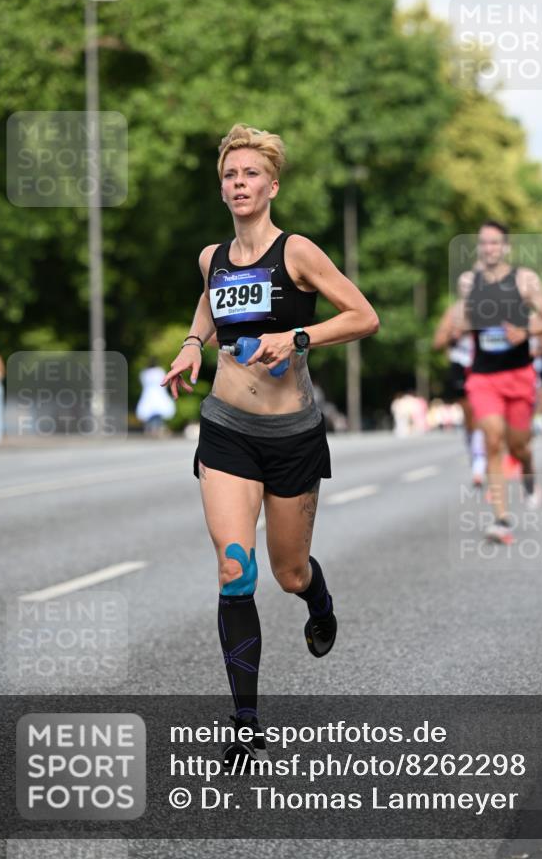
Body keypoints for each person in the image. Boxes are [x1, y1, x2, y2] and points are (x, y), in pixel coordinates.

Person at [161, 124, 379, 767]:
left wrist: (301, 337)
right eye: (230, 175)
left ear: (271, 185)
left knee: (286, 572)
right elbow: (210, 302)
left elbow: (363, 316)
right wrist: (191, 343)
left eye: (250, 174)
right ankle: (247, 722)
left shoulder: (298, 252)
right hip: (228, 427)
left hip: (292, 435)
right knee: (236, 567)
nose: (238, 184)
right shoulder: (212, 257)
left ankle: (318, 598)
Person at [453, 221, 542, 543]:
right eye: (483, 243)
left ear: (506, 247)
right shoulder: (468, 282)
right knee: (493, 439)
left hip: (519, 373)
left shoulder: (526, 279)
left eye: (495, 243)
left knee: (518, 444)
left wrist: (525, 331)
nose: (489, 249)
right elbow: (467, 320)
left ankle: (528, 471)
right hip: (484, 375)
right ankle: (502, 519)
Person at [433, 303, 486, 486]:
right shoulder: (453, 312)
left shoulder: (489, 309)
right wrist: (452, 334)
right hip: (460, 367)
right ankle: (475, 454)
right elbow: (437, 342)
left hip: (483, 366)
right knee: (469, 417)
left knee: (481, 413)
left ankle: (480, 461)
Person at [135, 357, 176, 436]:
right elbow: (165, 382)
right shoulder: (160, 371)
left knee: (151, 413)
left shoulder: (145, 373)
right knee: (157, 413)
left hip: (149, 394)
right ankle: (156, 429)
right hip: (158, 393)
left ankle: (152, 429)